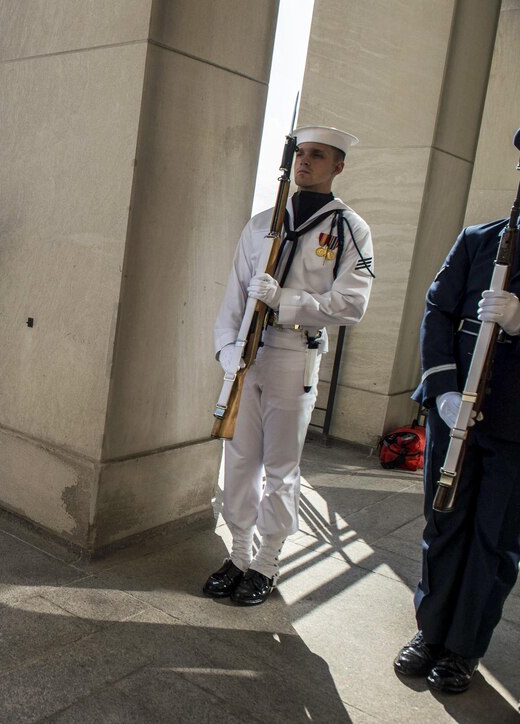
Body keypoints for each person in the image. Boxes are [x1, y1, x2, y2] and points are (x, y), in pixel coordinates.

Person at [206, 126, 375, 604]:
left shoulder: (348, 229)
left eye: (317, 156)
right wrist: (226, 350)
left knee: (280, 465)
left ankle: (266, 562)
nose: (305, 162)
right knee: (238, 460)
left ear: (338, 166)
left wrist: (287, 301)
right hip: (248, 355)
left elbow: (351, 304)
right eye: (301, 153)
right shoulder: (262, 222)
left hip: (294, 354)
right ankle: (238, 552)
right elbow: (234, 294)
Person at [392, 216, 520, 693]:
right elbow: (438, 308)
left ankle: (464, 647)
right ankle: (432, 632)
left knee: (494, 538)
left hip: (514, 428)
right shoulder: (479, 239)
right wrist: (443, 388)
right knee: (444, 524)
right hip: (456, 415)